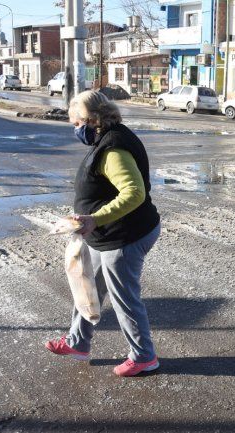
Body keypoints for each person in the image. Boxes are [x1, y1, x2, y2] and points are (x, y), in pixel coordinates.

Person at [45, 90, 162, 377]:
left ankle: (144, 356)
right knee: (87, 287)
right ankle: (77, 343)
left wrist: (96, 218)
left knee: (124, 297)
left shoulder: (113, 149)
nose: (76, 130)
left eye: (77, 123)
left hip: (124, 236)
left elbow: (134, 193)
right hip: (104, 233)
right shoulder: (108, 138)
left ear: (93, 119)